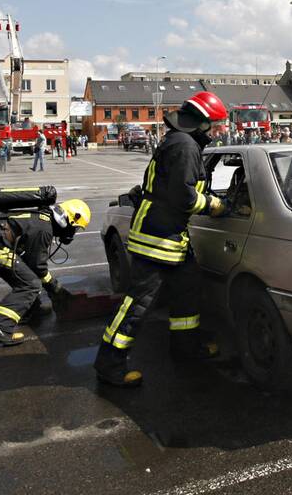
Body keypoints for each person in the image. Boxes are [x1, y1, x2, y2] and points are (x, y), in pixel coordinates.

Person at [94, 91, 229, 387]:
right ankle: (109, 363)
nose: (222, 130)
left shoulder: (181, 142)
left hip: (171, 238)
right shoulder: (185, 146)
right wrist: (214, 205)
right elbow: (184, 198)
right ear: (202, 123)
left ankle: (185, 350)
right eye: (218, 124)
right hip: (156, 239)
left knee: (187, 293)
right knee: (137, 305)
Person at [0, 197, 91, 345]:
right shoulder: (44, 229)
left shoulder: (45, 217)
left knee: (25, 275)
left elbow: (31, 263)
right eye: (75, 228)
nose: (72, 233)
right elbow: (38, 267)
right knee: (30, 284)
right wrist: (55, 288)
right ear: (69, 220)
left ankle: (31, 311)